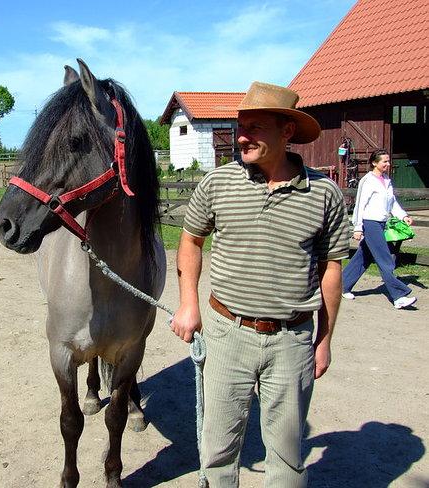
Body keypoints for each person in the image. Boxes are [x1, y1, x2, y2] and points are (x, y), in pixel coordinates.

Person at [170, 81, 350, 487]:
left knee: (287, 456)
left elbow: (331, 269)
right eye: (240, 127)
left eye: (255, 127)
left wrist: (324, 339)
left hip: (292, 340)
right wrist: (188, 303)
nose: (242, 137)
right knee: (217, 449)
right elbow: (191, 241)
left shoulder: (324, 193)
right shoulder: (218, 183)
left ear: (287, 133)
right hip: (226, 333)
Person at [342, 149, 417, 308]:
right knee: (385, 259)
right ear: (374, 163)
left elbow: (392, 203)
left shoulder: (386, 179)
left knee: (363, 257)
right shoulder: (368, 181)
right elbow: (360, 204)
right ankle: (399, 296)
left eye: (388, 161)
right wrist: (358, 227)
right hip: (370, 223)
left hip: (381, 223)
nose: (388, 164)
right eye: (385, 161)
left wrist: (403, 216)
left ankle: (341, 285)